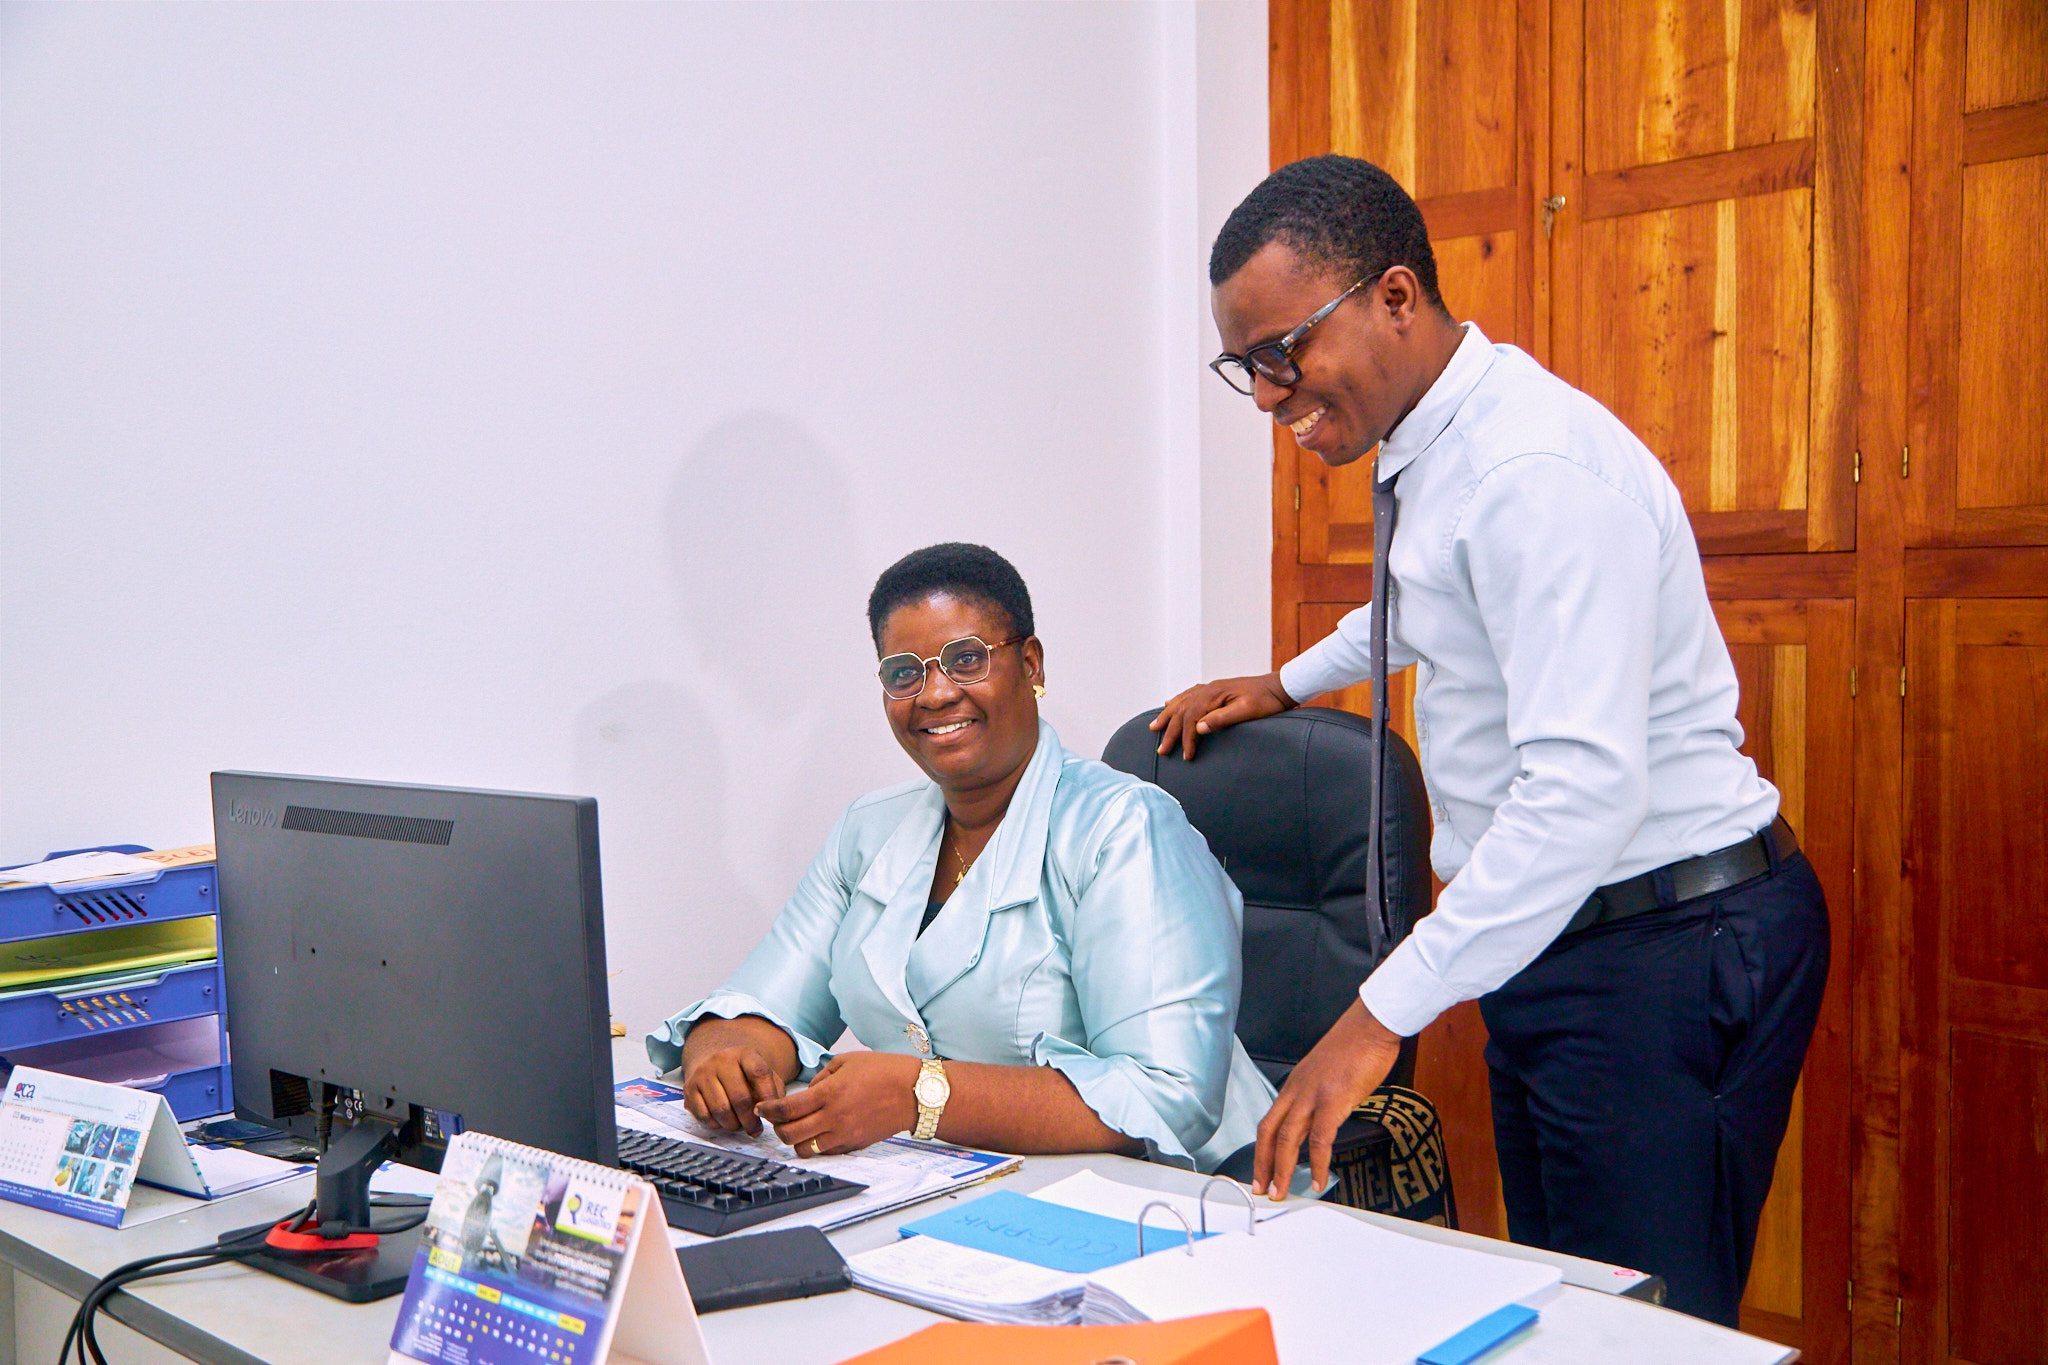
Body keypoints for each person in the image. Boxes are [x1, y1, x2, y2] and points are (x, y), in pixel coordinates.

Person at [1152, 155, 1829, 1324]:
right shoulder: (1448, 443)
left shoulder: (1531, 472)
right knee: (1572, 1303)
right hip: (1565, 940)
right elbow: (1430, 595)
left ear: (1393, 297)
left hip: (1664, 944)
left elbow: (1580, 796)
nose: (1266, 395)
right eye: (1244, 366)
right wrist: (1284, 682)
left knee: (1641, 1328)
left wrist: (1373, 1019)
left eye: (1282, 352)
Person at [647, 542, 1276, 1173]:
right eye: (904, 673)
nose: (936, 694)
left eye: (966, 659)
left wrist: (920, 1096)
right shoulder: (868, 830)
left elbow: (1167, 1097)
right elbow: (760, 1007)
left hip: (1185, 1196)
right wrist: (724, 1056)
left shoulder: (1124, 828)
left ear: (1030, 663)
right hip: (960, 1187)